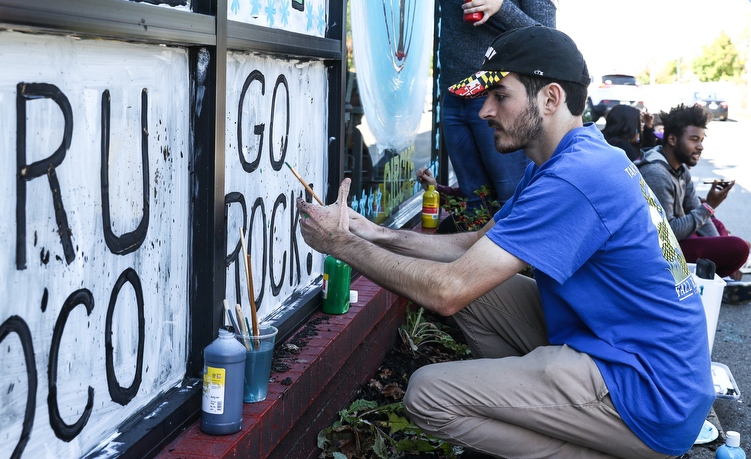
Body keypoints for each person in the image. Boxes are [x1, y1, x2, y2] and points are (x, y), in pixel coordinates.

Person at [298, 26, 714, 458]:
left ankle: (592, 446)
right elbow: (477, 245)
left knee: (427, 395)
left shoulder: (577, 178)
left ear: (550, 98)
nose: (484, 111)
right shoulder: (571, 156)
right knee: (484, 289)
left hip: (649, 394)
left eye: (500, 95)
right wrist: (372, 231)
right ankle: (543, 410)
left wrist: (342, 246)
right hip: (628, 353)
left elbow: (447, 293)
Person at [438, 0, 555, 212]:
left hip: (499, 95)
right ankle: (477, 245)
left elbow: (548, 40)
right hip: (453, 94)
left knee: (511, 198)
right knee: (474, 200)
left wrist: (501, 7)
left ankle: (510, 246)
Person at [636, 104, 750, 299]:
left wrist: (718, 243)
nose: (700, 146)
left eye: (701, 140)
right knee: (739, 247)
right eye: (694, 139)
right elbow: (668, 232)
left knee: (716, 226)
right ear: (672, 139)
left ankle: (719, 279)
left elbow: (695, 209)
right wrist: (710, 206)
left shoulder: (681, 168)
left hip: (679, 239)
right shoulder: (656, 172)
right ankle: (714, 282)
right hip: (657, 252)